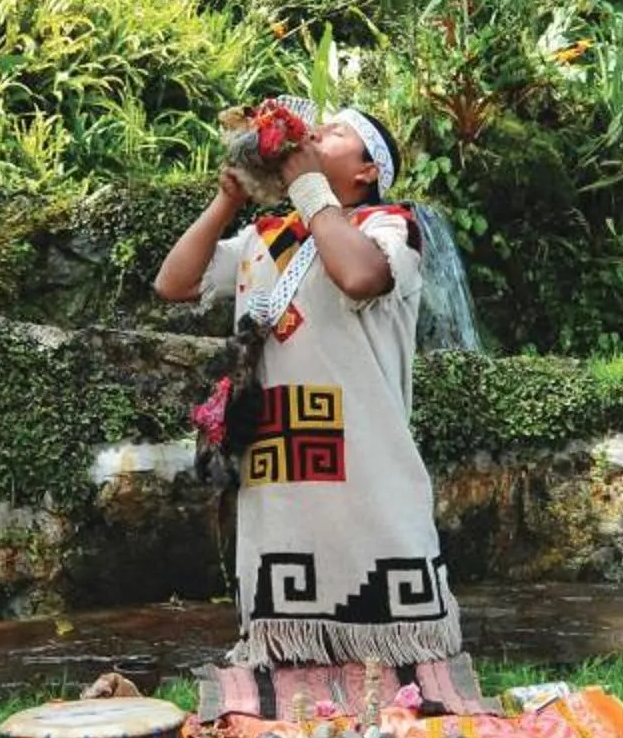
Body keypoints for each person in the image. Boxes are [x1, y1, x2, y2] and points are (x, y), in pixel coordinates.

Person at [154, 106, 464, 678]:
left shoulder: (390, 227)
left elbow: (361, 276)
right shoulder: (265, 236)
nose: (317, 132)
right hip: (281, 450)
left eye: (338, 131)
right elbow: (175, 283)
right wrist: (229, 197)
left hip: (361, 448)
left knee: (390, 606)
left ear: (369, 171)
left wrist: (306, 186)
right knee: (286, 635)